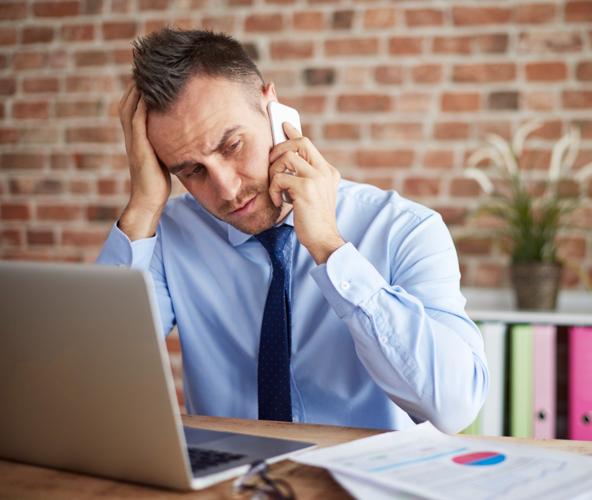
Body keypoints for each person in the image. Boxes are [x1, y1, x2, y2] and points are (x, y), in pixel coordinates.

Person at [97, 28, 487, 433]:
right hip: (231, 488)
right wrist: (143, 203)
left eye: (232, 146)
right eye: (192, 171)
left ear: (273, 108)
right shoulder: (168, 237)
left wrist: (331, 250)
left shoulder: (404, 229)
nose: (226, 189)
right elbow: (94, 384)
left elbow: (454, 408)